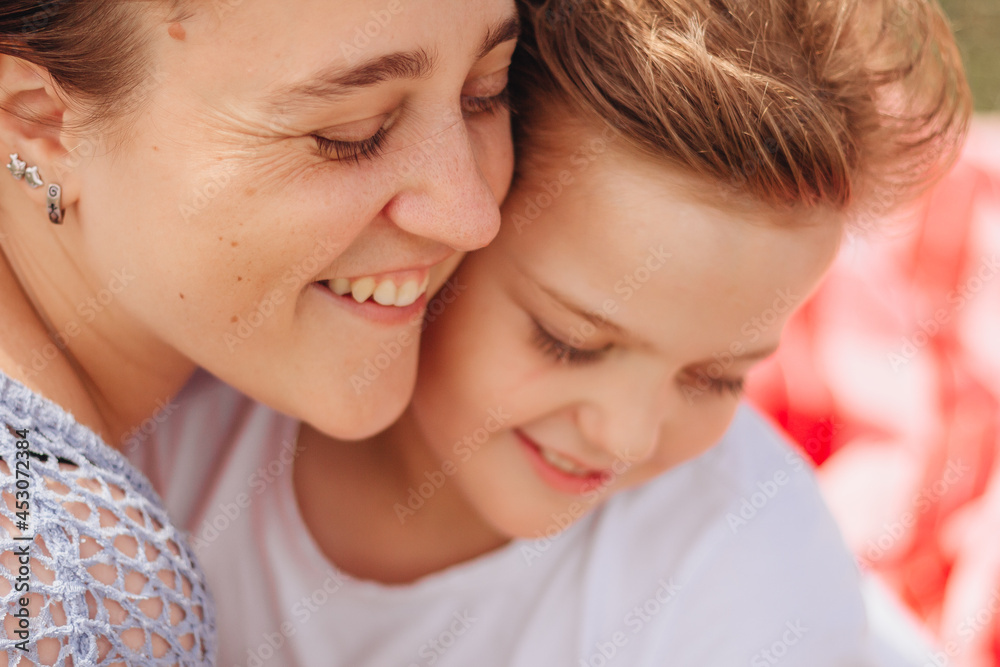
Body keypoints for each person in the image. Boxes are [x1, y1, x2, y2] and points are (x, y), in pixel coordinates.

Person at [131, 0, 970, 664]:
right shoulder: (184, 415)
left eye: (716, 376)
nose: (628, 432)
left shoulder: (751, 578)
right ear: (451, 221)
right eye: (570, 340)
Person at [0, 0, 518, 663]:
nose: (471, 215)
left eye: (487, 91)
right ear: (42, 121)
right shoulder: (79, 598)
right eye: (351, 131)